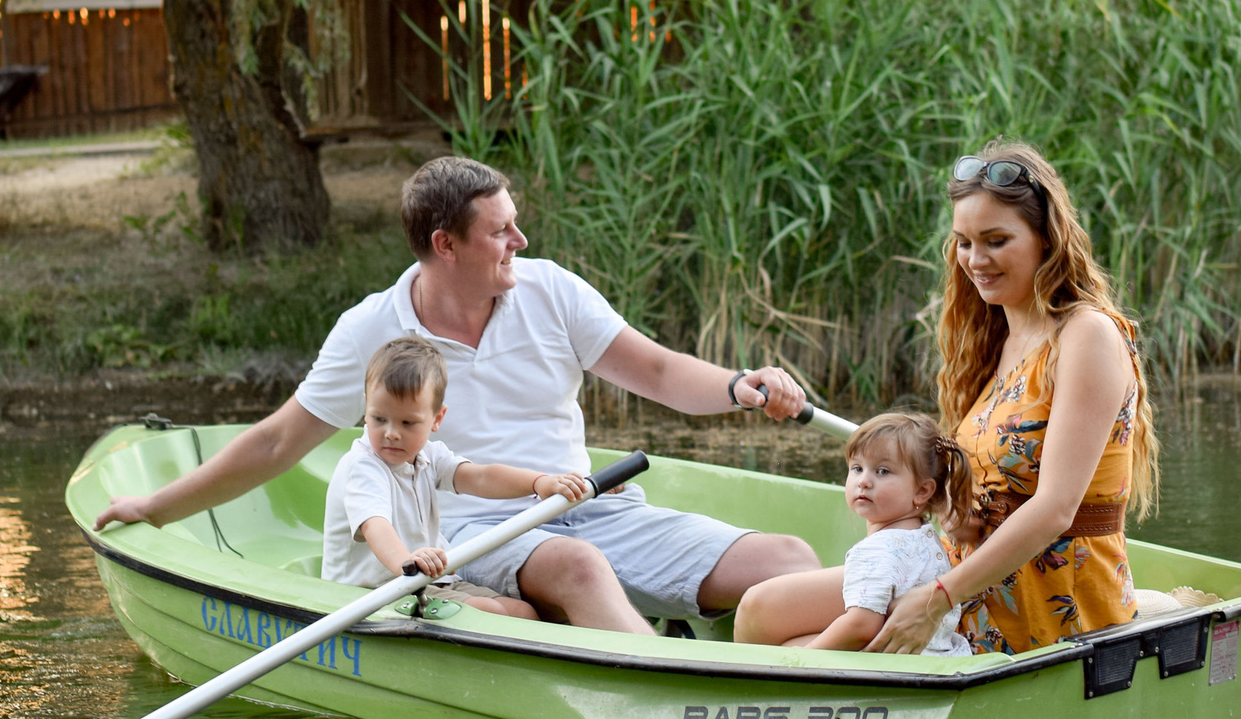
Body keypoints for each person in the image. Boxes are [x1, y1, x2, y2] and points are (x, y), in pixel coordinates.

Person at [93, 156, 819, 633]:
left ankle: (811, 680)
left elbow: (657, 373)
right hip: (472, 531)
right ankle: (670, 694)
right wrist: (155, 508)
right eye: (500, 231)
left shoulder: (552, 291)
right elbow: (279, 440)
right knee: (577, 568)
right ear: (446, 245)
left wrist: (738, 386)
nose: (520, 241)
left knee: (787, 559)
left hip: (589, 503)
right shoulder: (372, 329)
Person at [736, 142, 1158, 655]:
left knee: (801, 646)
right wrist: (954, 507)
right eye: (964, 242)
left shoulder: (1087, 334)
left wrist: (936, 599)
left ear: (1047, 238)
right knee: (760, 610)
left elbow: (1055, 508)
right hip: (959, 571)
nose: (976, 260)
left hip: (1044, 597)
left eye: (996, 241)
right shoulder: (997, 339)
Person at [323, 336, 591, 619]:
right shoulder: (364, 466)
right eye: (379, 419)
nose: (391, 433)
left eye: (407, 422)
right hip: (375, 591)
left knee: (521, 611)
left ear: (437, 418)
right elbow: (375, 526)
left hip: (424, 581)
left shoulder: (429, 455)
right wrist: (407, 562)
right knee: (488, 612)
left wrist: (538, 483)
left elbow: (480, 477)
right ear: (367, 408)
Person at [753, 412, 972, 655]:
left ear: (922, 491)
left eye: (883, 471)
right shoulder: (926, 537)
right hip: (941, 656)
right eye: (857, 468)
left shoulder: (876, 550)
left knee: (789, 647)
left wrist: (802, 657)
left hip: (901, 667)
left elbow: (861, 626)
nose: (864, 481)